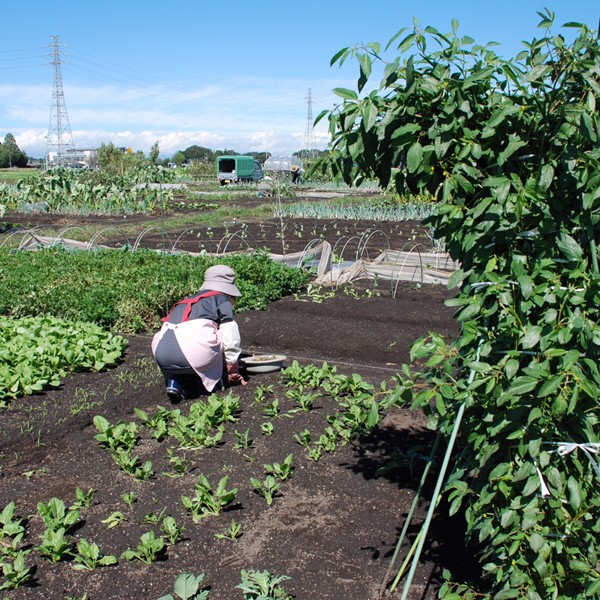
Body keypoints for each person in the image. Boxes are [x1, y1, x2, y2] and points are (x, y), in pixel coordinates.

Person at [151, 265, 247, 402]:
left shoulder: (185, 301)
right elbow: (230, 336)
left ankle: (175, 382)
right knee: (218, 335)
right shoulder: (221, 300)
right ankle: (210, 386)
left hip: (161, 354)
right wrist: (232, 368)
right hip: (195, 353)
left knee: (188, 342)